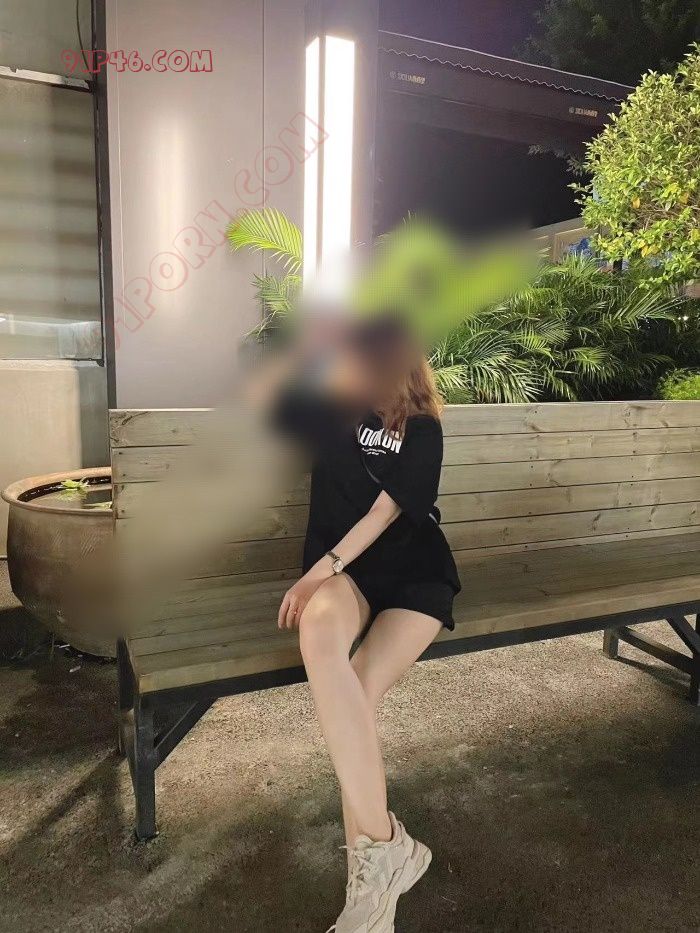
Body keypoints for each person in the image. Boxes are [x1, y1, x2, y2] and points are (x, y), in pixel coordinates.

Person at [272, 314, 461, 933]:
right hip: (344, 576)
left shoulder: (423, 429)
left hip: (411, 574)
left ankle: (368, 899)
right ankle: (387, 848)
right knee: (320, 640)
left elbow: (385, 515)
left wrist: (317, 571)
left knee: (358, 685)